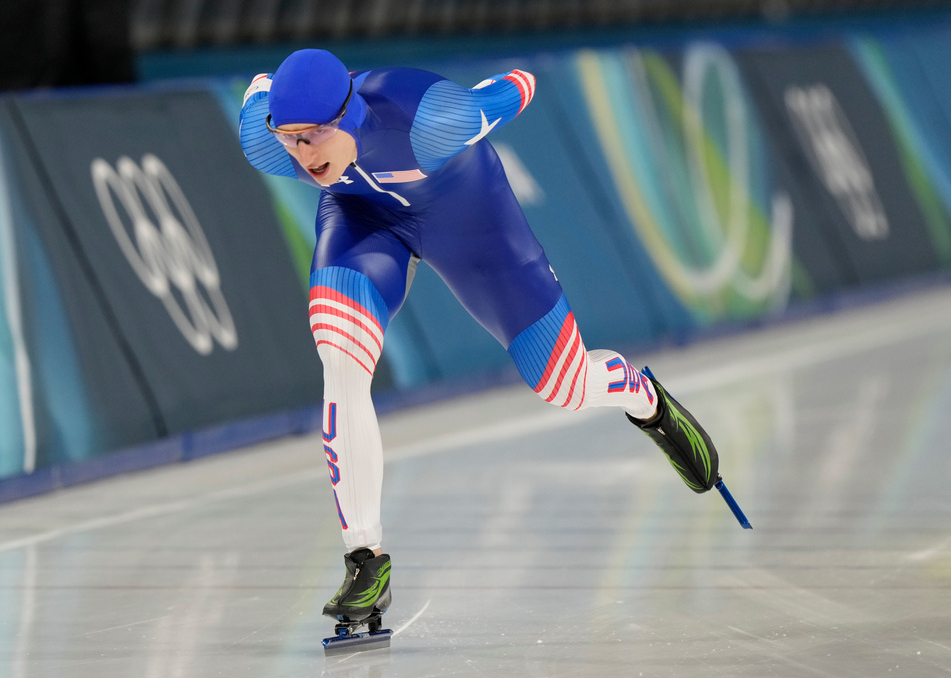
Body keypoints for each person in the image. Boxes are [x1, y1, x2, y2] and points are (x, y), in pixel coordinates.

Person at [238, 49, 720, 637]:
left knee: (563, 386)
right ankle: (365, 559)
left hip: (473, 224)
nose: (303, 156)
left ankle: (641, 396)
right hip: (364, 222)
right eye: (289, 139)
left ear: (347, 112)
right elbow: (261, 90)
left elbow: (515, 87)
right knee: (340, 356)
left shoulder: (428, 116)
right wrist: (272, 103)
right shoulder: (267, 142)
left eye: (313, 137)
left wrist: (510, 82)